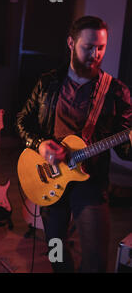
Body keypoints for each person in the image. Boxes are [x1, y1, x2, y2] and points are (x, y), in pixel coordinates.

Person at [16, 15, 132, 272]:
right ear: (71, 43)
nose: (96, 53)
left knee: (95, 260)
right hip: (50, 178)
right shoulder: (49, 82)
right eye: (88, 46)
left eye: (101, 47)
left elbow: (125, 150)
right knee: (56, 254)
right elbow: (23, 120)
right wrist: (41, 144)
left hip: (91, 186)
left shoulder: (116, 92)